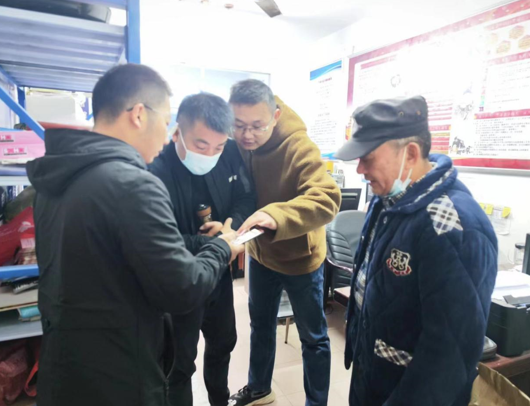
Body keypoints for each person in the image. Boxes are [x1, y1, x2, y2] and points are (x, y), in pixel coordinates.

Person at [26, 64, 244, 406]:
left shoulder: (54, 178)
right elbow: (183, 288)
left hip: (68, 365)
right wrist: (221, 247)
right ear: (139, 114)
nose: (166, 136)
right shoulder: (133, 183)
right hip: (119, 373)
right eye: (166, 121)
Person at [334, 95, 498, 406]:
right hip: (373, 373)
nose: (360, 169)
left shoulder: (453, 228)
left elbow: (449, 356)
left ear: (410, 153)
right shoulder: (387, 198)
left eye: (368, 158)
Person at [227, 80, 341, 406]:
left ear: (275, 116)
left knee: (313, 337)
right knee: (260, 325)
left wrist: (275, 215)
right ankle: (259, 388)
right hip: (261, 254)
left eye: (257, 126)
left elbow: (327, 199)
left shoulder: (298, 146)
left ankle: (316, 402)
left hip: (300, 259)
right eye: (239, 125)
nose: (247, 135)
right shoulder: (237, 145)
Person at [150, 92, 255, 406]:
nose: (210, 154)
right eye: (200, 145)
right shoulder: (155, 167)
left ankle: (219, 401)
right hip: (178, 279)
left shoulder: (230, 152)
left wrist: (230, 226)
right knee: (179, 361)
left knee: (223, 343)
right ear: (177, 133)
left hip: (218, 273)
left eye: (218, 147)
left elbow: (246, 198)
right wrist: (215, 242)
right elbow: (159, 239)